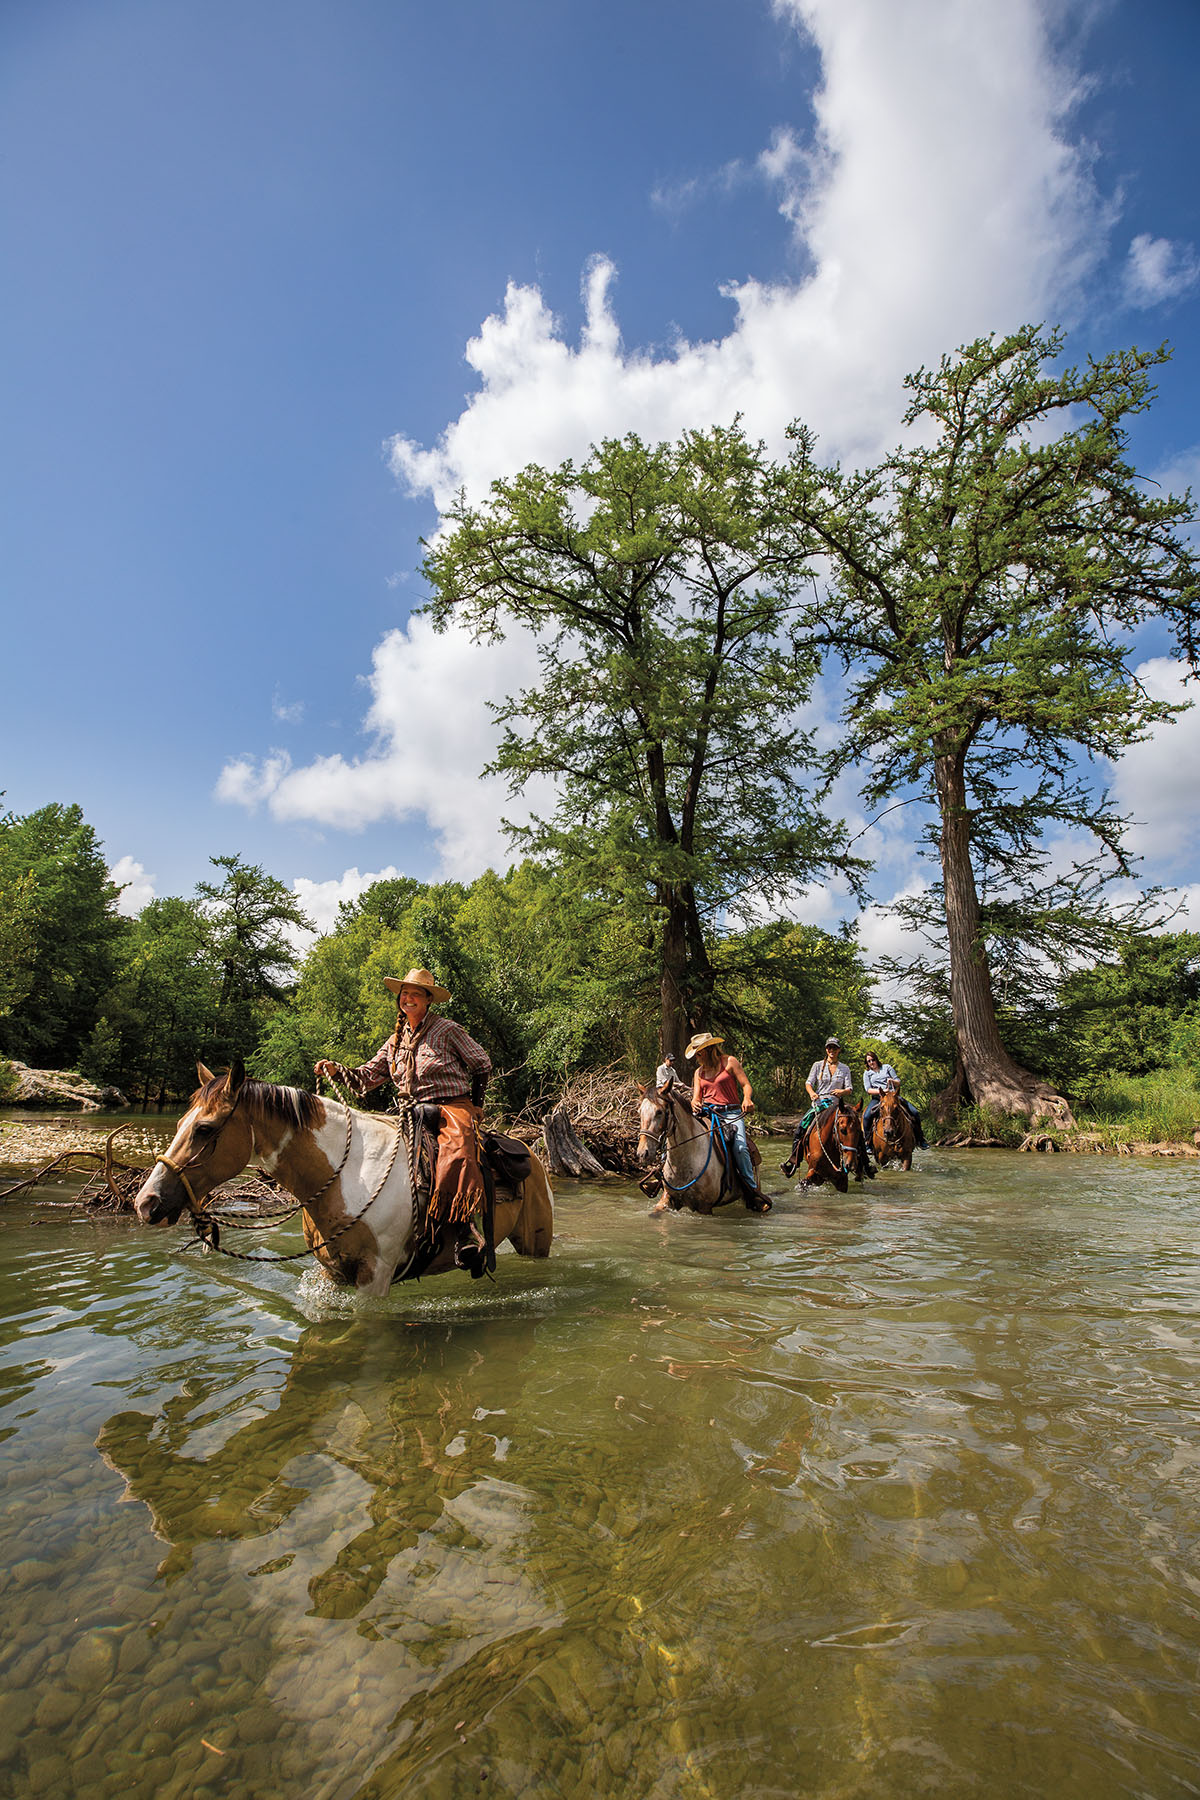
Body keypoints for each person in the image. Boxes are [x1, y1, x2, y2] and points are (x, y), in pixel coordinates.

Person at [314, 967, 492, 1276]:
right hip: (408, 1111)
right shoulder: (395, 1040)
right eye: (404, 994)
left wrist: (476, 1106)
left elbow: (482, 1063)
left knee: (456, 1155)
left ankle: (463, 1231)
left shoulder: (448, 1030)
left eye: (415, 994)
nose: (408, 998)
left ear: (428, 1000)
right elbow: (366, 1078)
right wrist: (336, 1070)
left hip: (451, 1106)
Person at [686, 1030, 770, 1211]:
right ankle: (664, 1176)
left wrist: (747, 1099)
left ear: (708, 1049)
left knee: (740, 1147)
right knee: (681, 1134)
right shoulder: (698, 1073)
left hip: (730, 1112)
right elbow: (696, 1098)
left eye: (699, 1052)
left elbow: (746, 1085)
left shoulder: (729, 1062)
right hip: (707, 1113)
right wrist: (694, 1104)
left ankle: (752, 1191)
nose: (697, 1057)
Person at [782, 1036, 855, 1177]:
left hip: (836, 1104)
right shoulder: (817, 1065)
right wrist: (812, 1093)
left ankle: (863, 1163)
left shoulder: (845, 1068)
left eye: (834, 1047)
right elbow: (808, 1083)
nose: (831, 1050)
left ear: (839, 1050)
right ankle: (794, 1161)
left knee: (854, 1128)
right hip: (820, 1103)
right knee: (801, 1128)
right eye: (829, 1047)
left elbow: (849, 1088)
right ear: (826, 1049)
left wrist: (842, 1091)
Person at [862, 1050, 927, 1148]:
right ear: (867, 1063)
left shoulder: (887, 1068)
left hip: (893, 1096)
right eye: (869, 1061)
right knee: (866, 1116)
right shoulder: (867, 1073)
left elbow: (898, 1082)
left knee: (914, 1112)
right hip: (878, 1098)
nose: (871, 1063)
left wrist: (892, 1081)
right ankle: (868, 1143)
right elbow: (868, 1089)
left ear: (876, 1059)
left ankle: (920, 1139)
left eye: (873, 1060)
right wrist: (882, 1091)